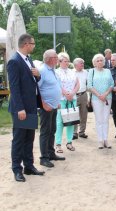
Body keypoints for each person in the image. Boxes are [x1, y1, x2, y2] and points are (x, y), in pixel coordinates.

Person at [7, 33, 44, 182]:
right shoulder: (14, 61)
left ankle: (29, 166)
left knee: (29, 137)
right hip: (21, 108)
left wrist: (38, 75)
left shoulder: (29, 60)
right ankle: (17, 169)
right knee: (19, 139)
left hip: (31, 105)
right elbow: (14, 88)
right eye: (33, 44)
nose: (34, 46)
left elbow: (34, 80)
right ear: (26, 44)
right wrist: (19, 108)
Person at [38, 49, 65, 168]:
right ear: (49, 59)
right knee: (45, 132)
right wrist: (43, 104)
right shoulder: (42, 70)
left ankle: (50, 153)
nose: (58, 59)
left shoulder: (52, 70)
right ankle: (43, 158)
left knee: (52, 130)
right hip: (46, 107)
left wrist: (57, 101)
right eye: (56, 57)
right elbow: (36, 90)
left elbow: (55, 86)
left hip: (53, 106)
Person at [87, 54, 114, 149]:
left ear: (104, 62)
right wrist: (99, 95)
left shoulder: (108, 71)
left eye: (101, 60)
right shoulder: (91, 71)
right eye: (97, 60)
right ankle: (100, 140)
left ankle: (106, 139)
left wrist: (105, 94)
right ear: (94, 62)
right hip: (96, 99)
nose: (99, 62)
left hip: (108, 98)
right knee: (99, 119)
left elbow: (112, 84)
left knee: (106, 119)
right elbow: (89, 86)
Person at [55, 52, 80, 153]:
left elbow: (78, 84)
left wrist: (72, 93)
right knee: (60, 122)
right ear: (59, 62)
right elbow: (57, 85)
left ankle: (69, 142)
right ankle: (58, 144)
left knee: (71, 121)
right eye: (65, 61)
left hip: (72, 99)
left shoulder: (72, 71)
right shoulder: (56, 72)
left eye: (68, 61)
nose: (67, 62)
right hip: (62, 99)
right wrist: (66, 94)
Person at [73, 58, 89, 140]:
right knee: (74, 114)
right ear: (75, 65)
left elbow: (88, 84)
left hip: (83, 94)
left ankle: (82, 132)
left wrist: (88, 97)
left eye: (83, 63)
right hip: (74, 95)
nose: (82, 65)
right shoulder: (71, 72)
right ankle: (74, 133)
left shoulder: (86, 72)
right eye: (81, 63)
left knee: (84, 114)